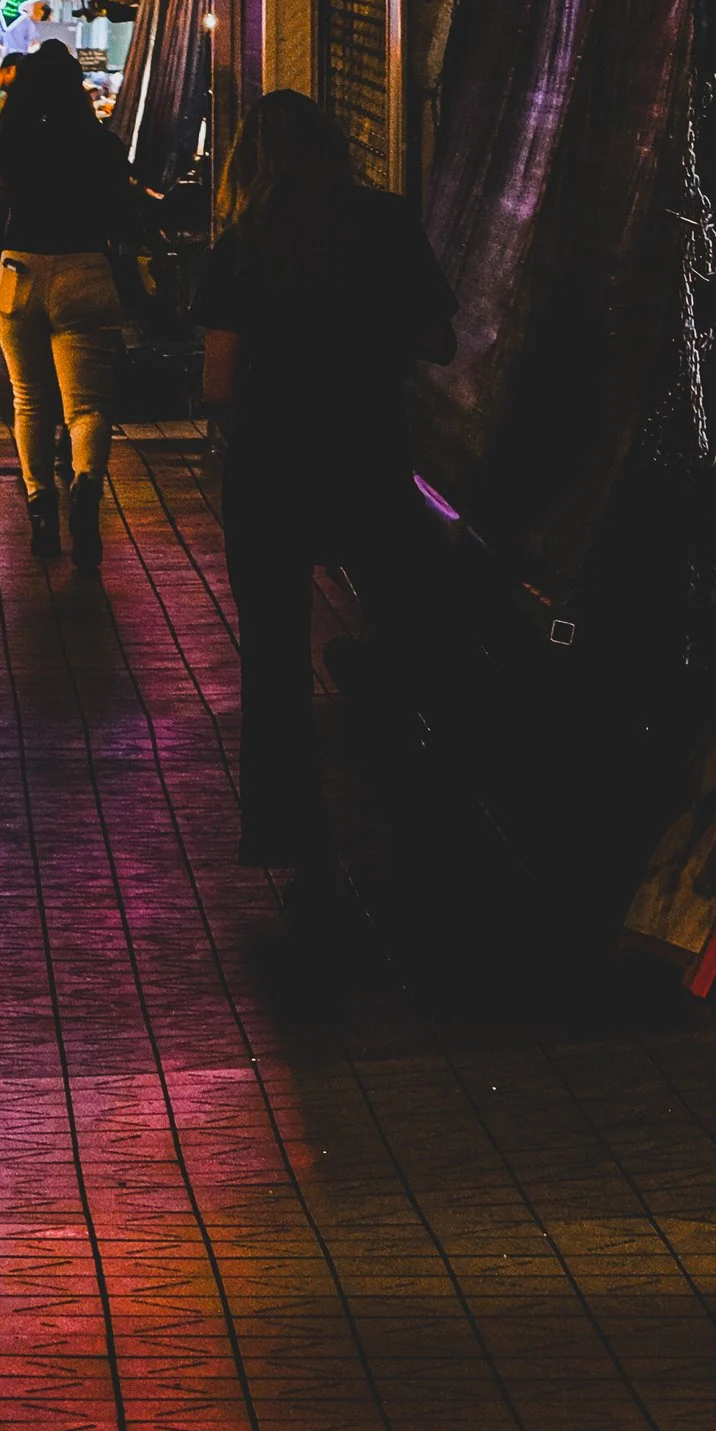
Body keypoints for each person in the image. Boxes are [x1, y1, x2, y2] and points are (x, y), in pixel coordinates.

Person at [199, 89, 454, 892]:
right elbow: (437, 340)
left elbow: (221, 381)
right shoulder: (386, 221)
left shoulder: (241, 247)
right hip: (366, 457)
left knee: (273, 660)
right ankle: (420, 805)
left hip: (271, 469)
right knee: (413, 621)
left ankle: (292, 837)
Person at [0, 39, 159, 569]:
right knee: (87, 407)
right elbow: (121, 218)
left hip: (19, 274)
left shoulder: (6, 143)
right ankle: (85, 490)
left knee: (30, 399)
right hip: (85, 272)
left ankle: (41, 503)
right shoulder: (103, 146)